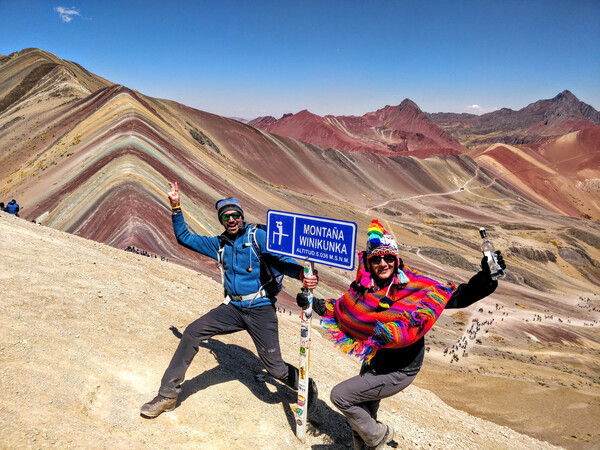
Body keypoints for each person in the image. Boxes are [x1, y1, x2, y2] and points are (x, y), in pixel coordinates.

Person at [296, 220, 506, 449]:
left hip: (401, 369)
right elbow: (344, 311)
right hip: (375, 361)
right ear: (369, 261)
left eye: (388, 258)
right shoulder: (363, 288)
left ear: (396, 259)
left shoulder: (412, 287)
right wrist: (312, 302)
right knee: (364, 413)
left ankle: (379, 435)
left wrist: (487, 278)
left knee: (341, 396)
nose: (382, 263)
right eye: (376, 259)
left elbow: (458, 296)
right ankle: (366, 443)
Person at [141, 182, 319, 418]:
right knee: (193, 332)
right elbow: (184, 237)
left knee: (275, 368)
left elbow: (280, 261)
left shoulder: (258, 237)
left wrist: (301, 275)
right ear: (222, 221)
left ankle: (306, 387)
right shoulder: (219, 244)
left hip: (260, 309)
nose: (232, 220)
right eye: (226, 217)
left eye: (235, 215)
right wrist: (176, 207)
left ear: (242, 217)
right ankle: (168, 395)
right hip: (233, 308)